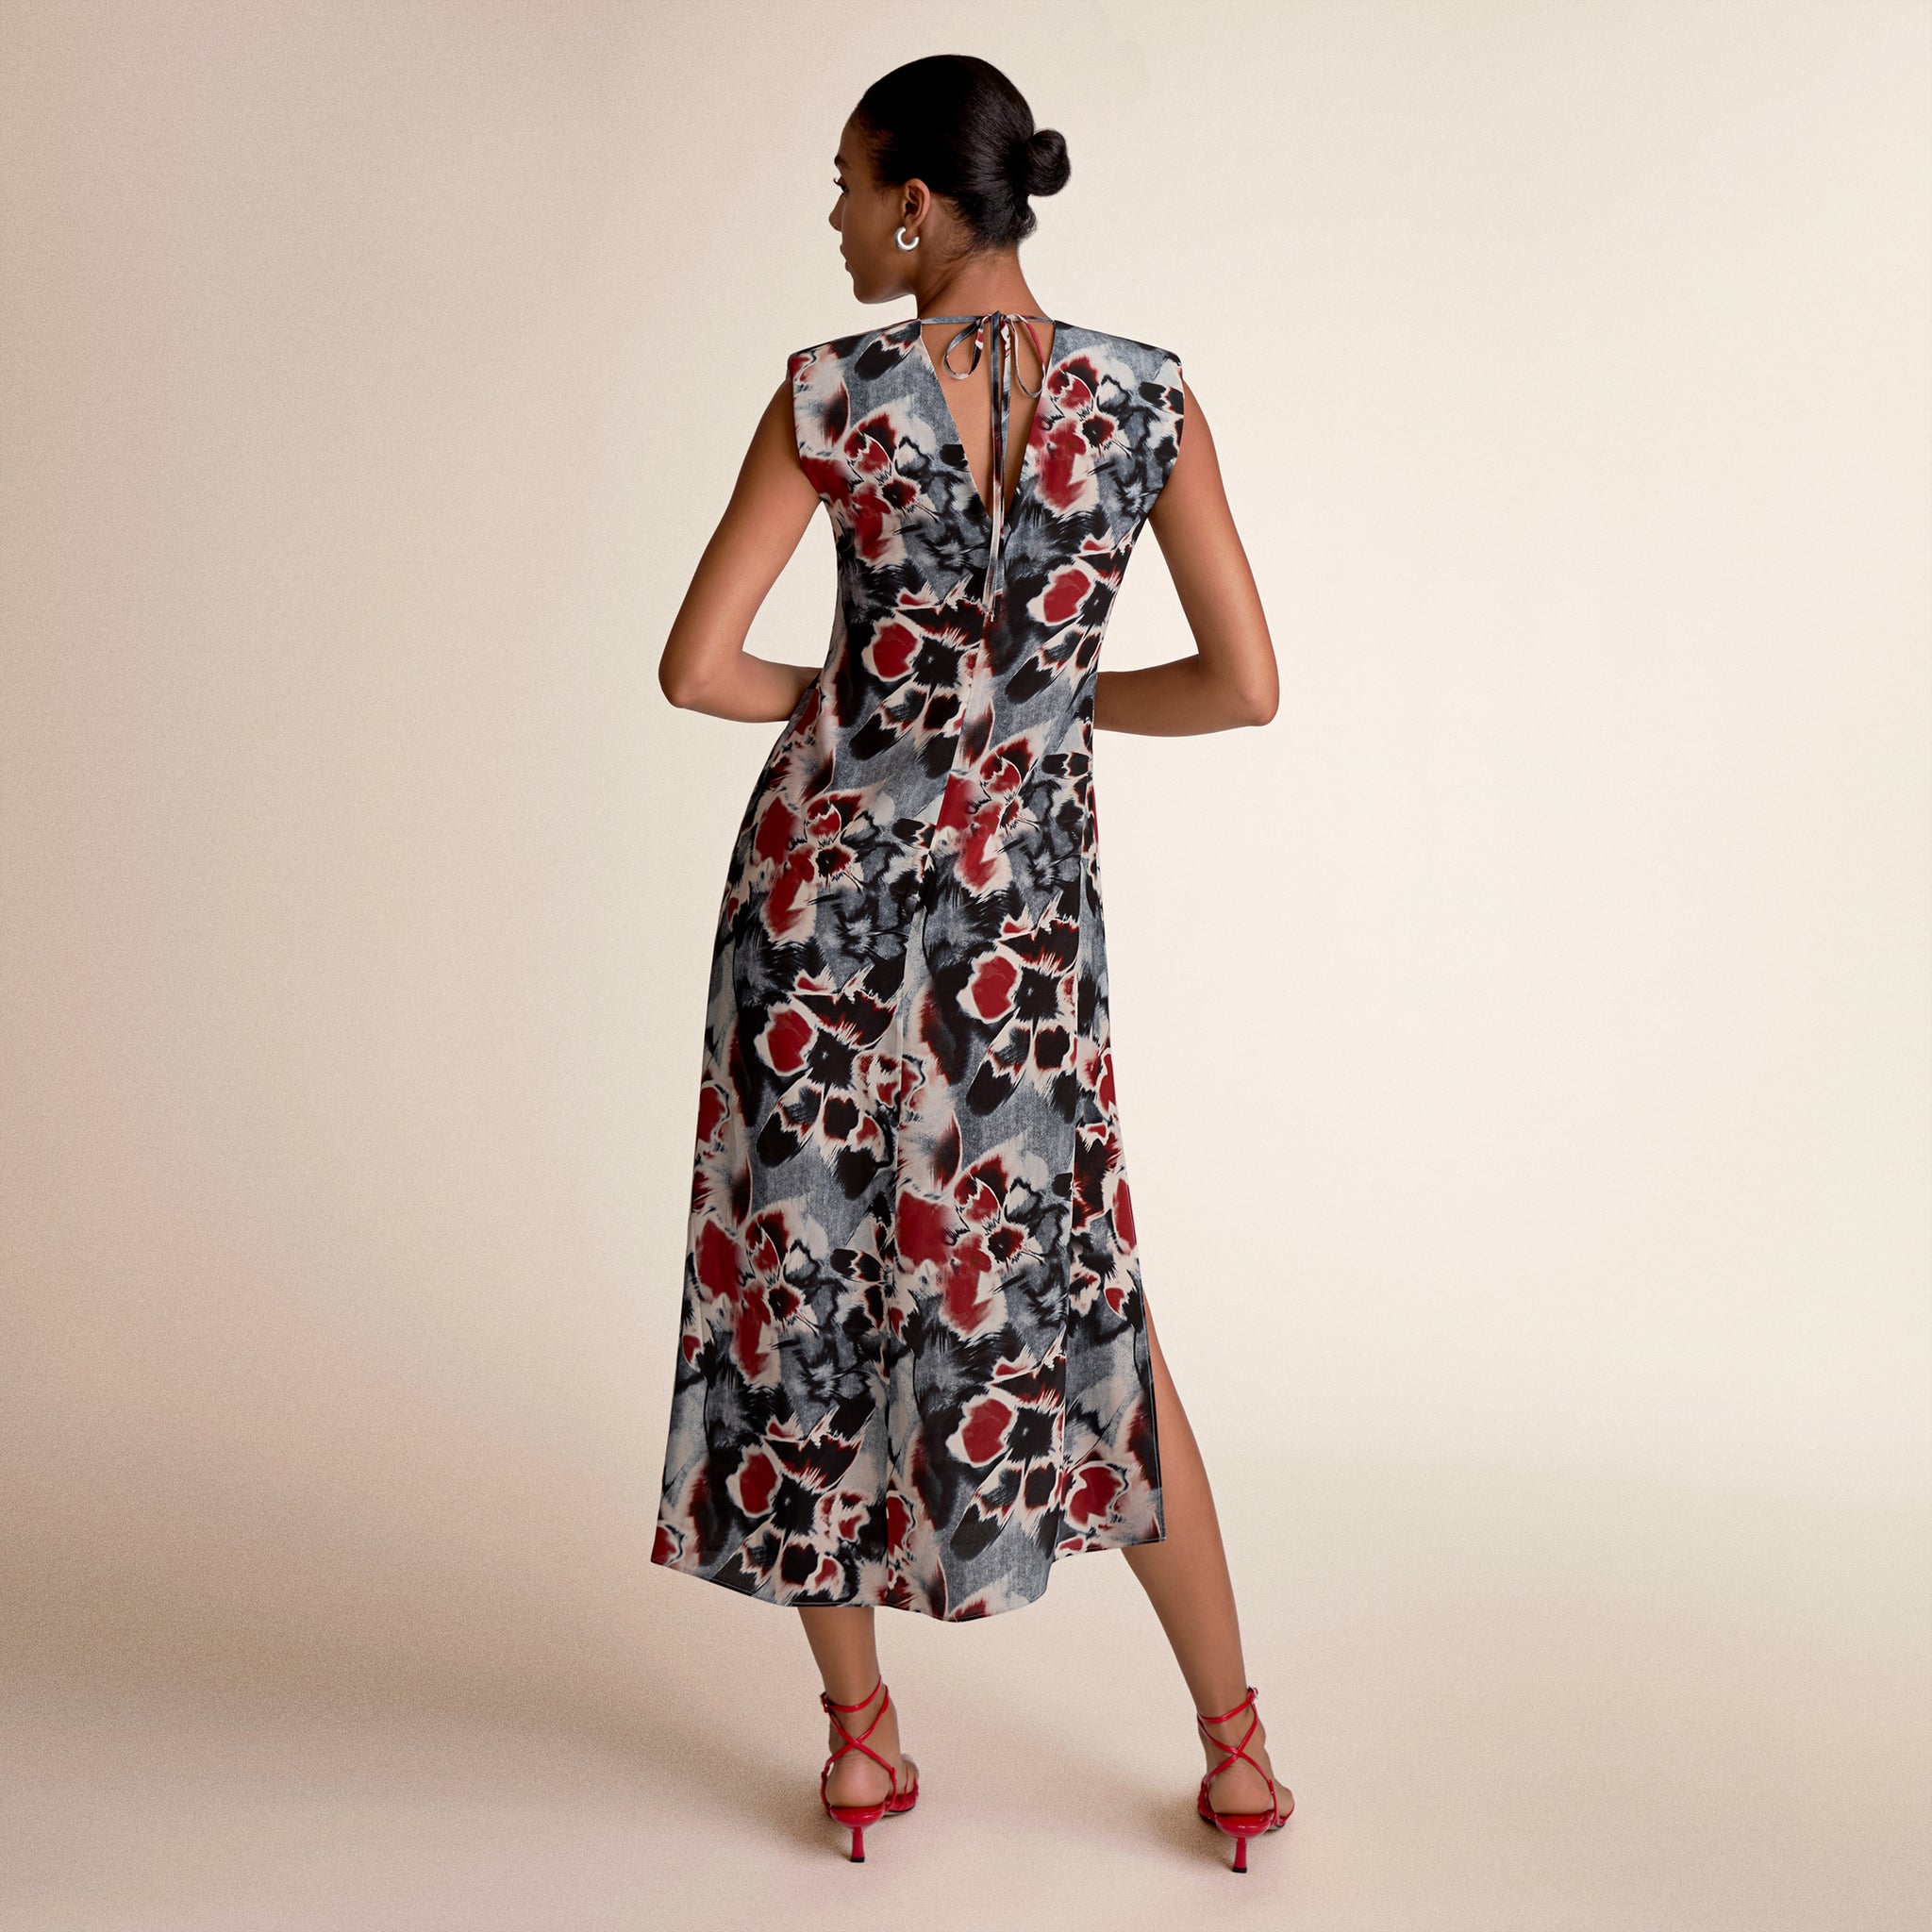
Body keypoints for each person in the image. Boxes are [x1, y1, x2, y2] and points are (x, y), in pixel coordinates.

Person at [651, 53, 1288, 1872]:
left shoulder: (831, 396)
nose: (841, 221)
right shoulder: (1149, 400)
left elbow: (702, 669)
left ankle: (860, 1749)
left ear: (920, 203)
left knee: (807, 1302)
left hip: (818, 909)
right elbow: (1245, 687)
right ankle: (1236, 1753)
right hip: (1020, 927)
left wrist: (872, 716)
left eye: (848, 188)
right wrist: (1037, 719)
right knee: (1089, 1297)